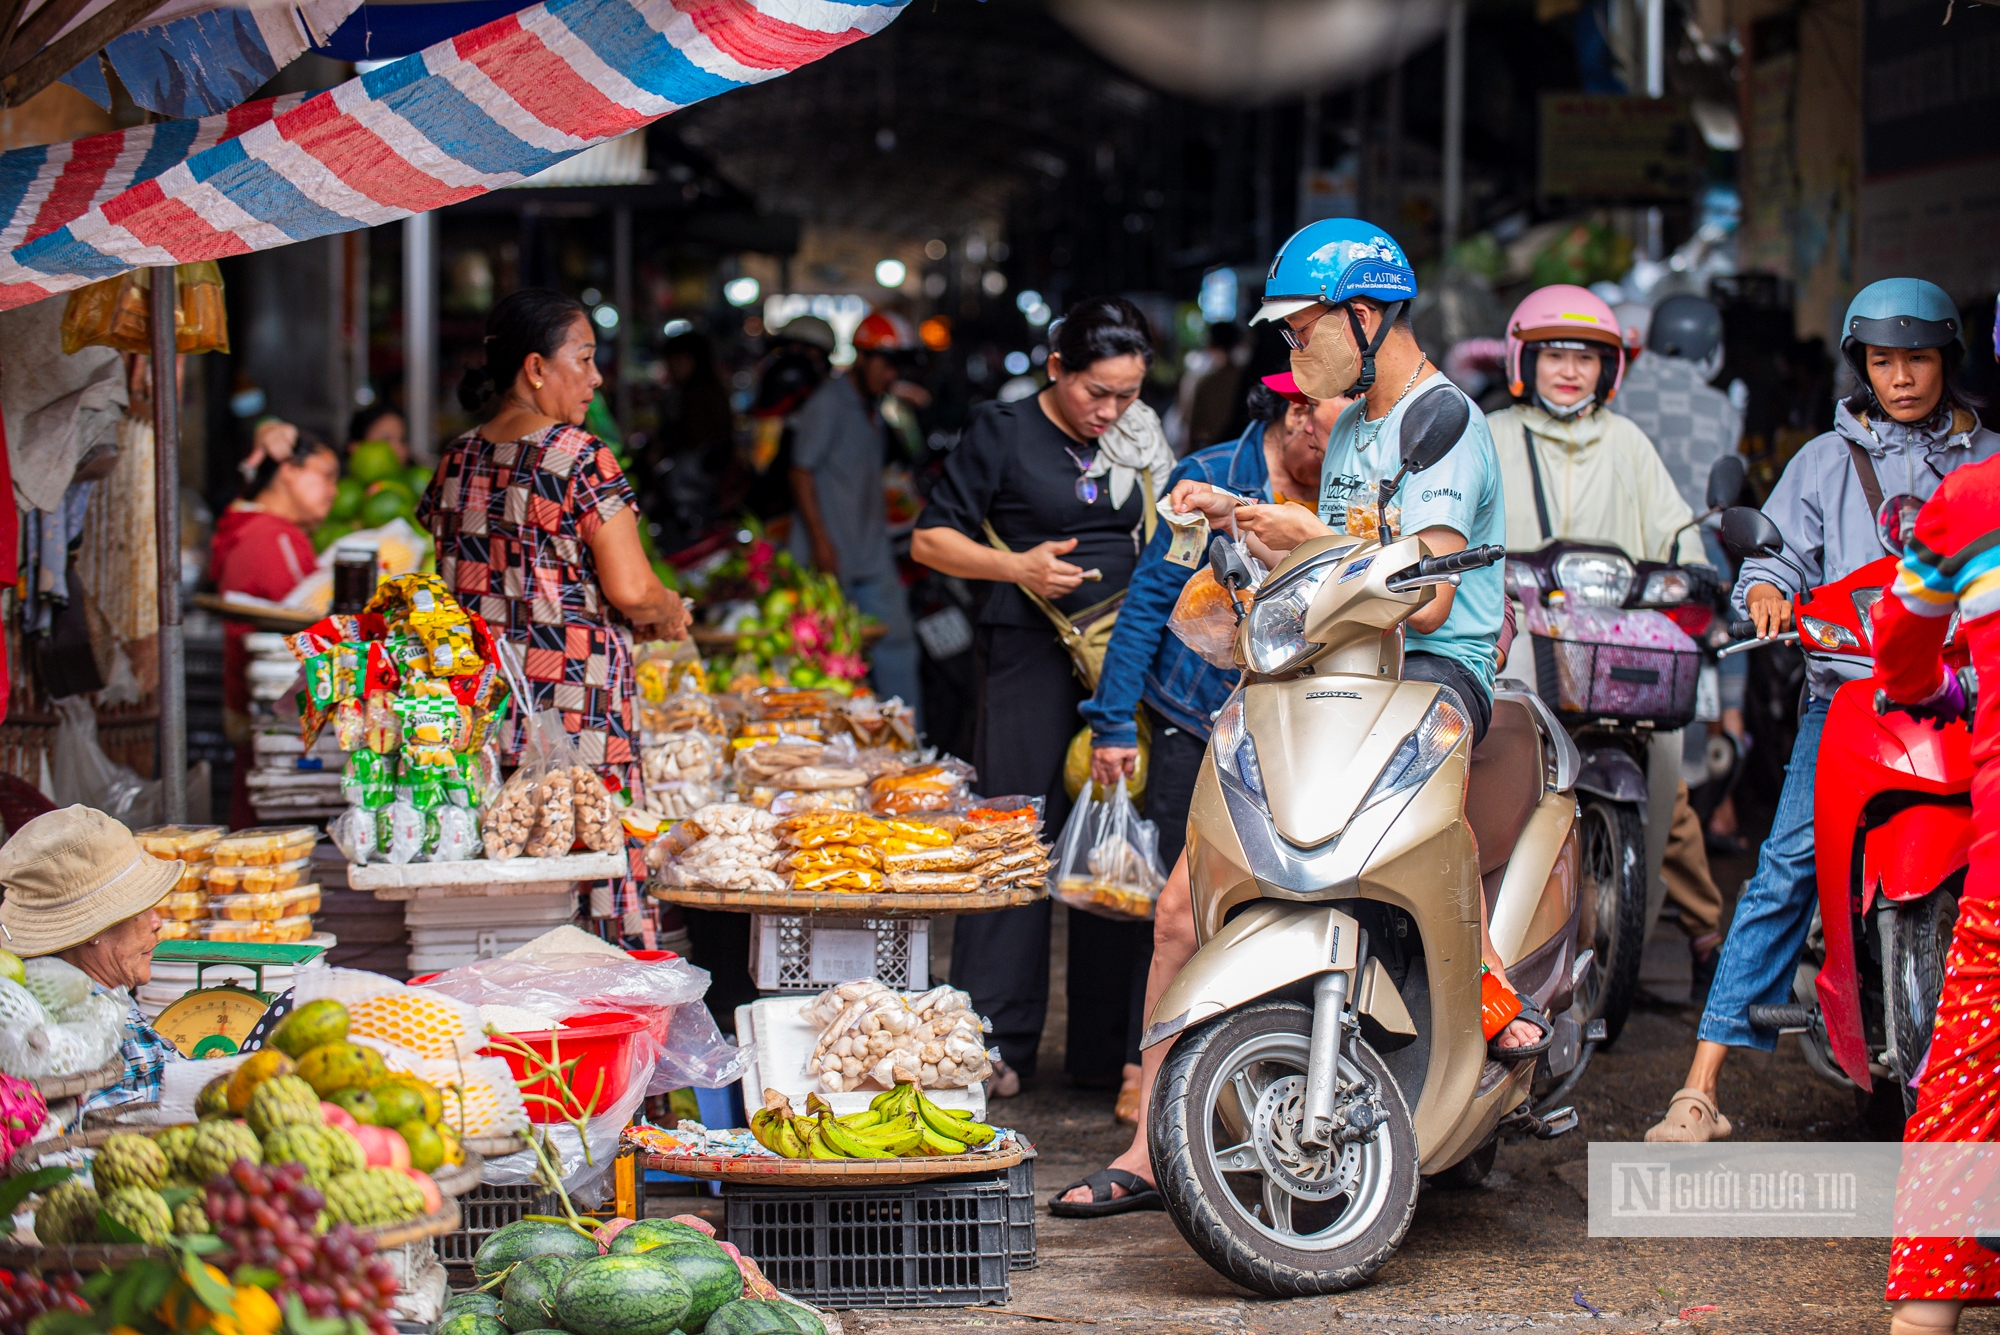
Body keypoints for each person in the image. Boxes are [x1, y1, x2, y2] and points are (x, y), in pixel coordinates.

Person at [1050, 221, 1538, 1216]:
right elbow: (1333, 571)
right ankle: (1150, 1144)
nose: (1288, 352)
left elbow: (1429, 595)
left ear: (1364, 317)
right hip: (1322, 666)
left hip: (1427, 672)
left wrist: (1304, 533)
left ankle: (1486, 995)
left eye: (1297, 330)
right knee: (1184, 902)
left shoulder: (1440, 423)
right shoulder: (1350, 424)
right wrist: (1243, 530)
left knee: (1402, 858)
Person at [1645, 277, 2000, 1143]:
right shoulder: (1819, 461)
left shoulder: (1988, 457)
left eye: (1918, 358)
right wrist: (1765, 591)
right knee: (1785, 867)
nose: (1903, 378)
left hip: (1970, 699)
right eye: (1885, 361)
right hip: (1845, 698)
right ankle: (1701, 1085)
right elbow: (1776, 558)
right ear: (1862, 366)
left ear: (1947, 360)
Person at [1047, 372, 1348, 1213]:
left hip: (1316, 727)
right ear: (1297, 418)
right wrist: (1111, 719)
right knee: (1182, 912)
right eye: (1335, 426)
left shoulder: (1362, 482)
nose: (1351, 445)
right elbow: (1148, 602)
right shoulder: (1212, 477)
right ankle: (1150, 1122)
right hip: (1200, 719)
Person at [910, 296, 1171, 1096]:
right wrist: (1019, 567)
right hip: (1027, 650)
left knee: (1113, 837)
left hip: (1119, 659)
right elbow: (929, 538)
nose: (1111, 410)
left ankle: (1103, 1047)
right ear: (1057, 368)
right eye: (1098, 392)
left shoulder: (1139, 433)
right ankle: (997, 1040)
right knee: (1018, 834)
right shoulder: (1003, 430)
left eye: (1127, 394)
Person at [419, 289, 692, 943]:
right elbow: (630, 587)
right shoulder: (578, 455)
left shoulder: (456, 459)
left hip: (480, 717)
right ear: (536, 368)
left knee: (506, 886)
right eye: (585, 358)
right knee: (596, 876)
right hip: (577, 717)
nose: (596, 378)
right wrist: (669, 611)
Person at [1487, 284, 1727, 989]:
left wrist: (1696, 574)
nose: (1569, 369)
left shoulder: (1627, 442)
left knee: (1666, 784)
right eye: (1554, 354)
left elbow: (1676, 529)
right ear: (1522, 361)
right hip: (1520, 648)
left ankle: (1693, 928)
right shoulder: (1494, 436)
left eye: (1587, 358)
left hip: (1612, 657)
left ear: (1610, 370)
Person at [1869, 453, 2000, 1335]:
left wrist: (1932, 687)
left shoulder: (1970, 498)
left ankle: (1927, 1314)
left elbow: (1900, 646)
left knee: (1960, 1098)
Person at [1617, 295, 1752, 852]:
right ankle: (1723, 801)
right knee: (1739, 634)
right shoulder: (1723, 406)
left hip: (1629, 558)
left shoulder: (1619, 396)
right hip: (1699, 552)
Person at [0, 806, 181, 1122]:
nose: (157, 921)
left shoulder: (105, 1001)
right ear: (95, 931)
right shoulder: (81, 1030)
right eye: (144, 908)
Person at [788, 311, 922, 715]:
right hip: (831, 554)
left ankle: (911, 742)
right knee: (832, 661)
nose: (891, 374)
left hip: (871, 551)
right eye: (885, 364)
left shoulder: (876, 408)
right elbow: (800, 472)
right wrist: (820, 541)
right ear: (862, 359)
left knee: (897, 646)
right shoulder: (828, 404)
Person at [211, 430, 341, 828]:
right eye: (327, 475)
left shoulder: (249, 526)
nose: (334, 491)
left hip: (256, 707)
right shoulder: (271, 537)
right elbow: (303, 624)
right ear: (287, 470)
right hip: (273, 712)